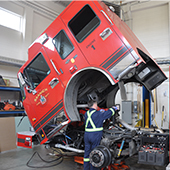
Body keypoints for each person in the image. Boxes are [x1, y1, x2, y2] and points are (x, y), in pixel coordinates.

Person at [83, 99, 117, 170]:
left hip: (87, 135)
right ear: (94, 104)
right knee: (95, 153)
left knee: (87, 153)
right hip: (95, 135)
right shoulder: (98, 114)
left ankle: (86, 168)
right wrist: (114, 109)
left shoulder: (86, 114)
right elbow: (108, 114)